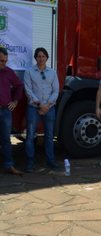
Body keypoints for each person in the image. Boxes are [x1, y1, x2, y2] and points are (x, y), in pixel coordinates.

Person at [24, 47, 61, 172]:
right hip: (34, 108)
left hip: (49, 108)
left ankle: (50, 160)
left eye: (43, 56)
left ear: (47, 58)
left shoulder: (52, 72)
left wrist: (47, 106)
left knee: (49, 136)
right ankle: (30, 162)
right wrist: (40, 105)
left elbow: (56, 90)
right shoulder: (29, 72)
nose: (41, 59)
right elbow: (28, 91)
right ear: (36, 58)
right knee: (30, 136)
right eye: (39, 56)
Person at [0, 47, 24, 175]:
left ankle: (9, 166)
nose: (3, 63)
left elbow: (19, 86)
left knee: (6, 140)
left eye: (5, 61)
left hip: (5, 112)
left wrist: (15, 101)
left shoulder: (9, 72)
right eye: (1, 61)